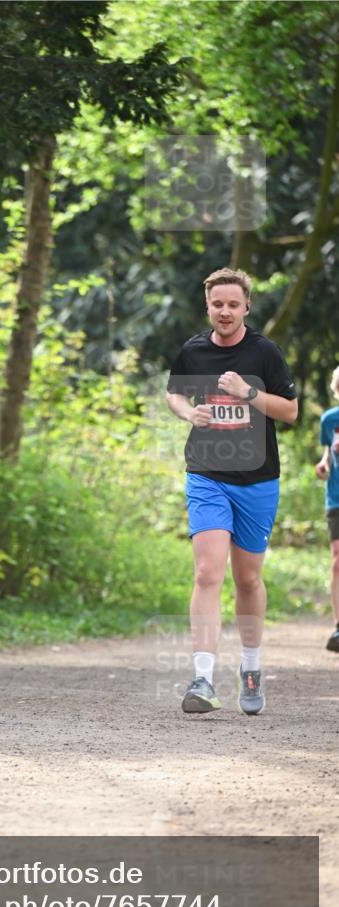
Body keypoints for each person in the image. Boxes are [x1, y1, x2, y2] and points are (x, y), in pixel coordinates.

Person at [166, 268, 297, 716]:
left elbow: (291, 410)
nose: (224, 311)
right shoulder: (194, 351)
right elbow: (174, 395)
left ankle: (251, 664)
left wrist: (249, 393)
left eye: (233, 305)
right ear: (208, 306)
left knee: (248, 579)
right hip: (206, 474)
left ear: (246, 308)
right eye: (217, 304)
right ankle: (202, 676)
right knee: (207, 573)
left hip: (258, 480)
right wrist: (189, 414)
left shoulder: (264, 353)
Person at [315, 365, 339, 653]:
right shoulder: (329, 420)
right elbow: (327, 454)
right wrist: (323, 465)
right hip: (336, 498)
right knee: (337, 560)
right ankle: (338, 626)